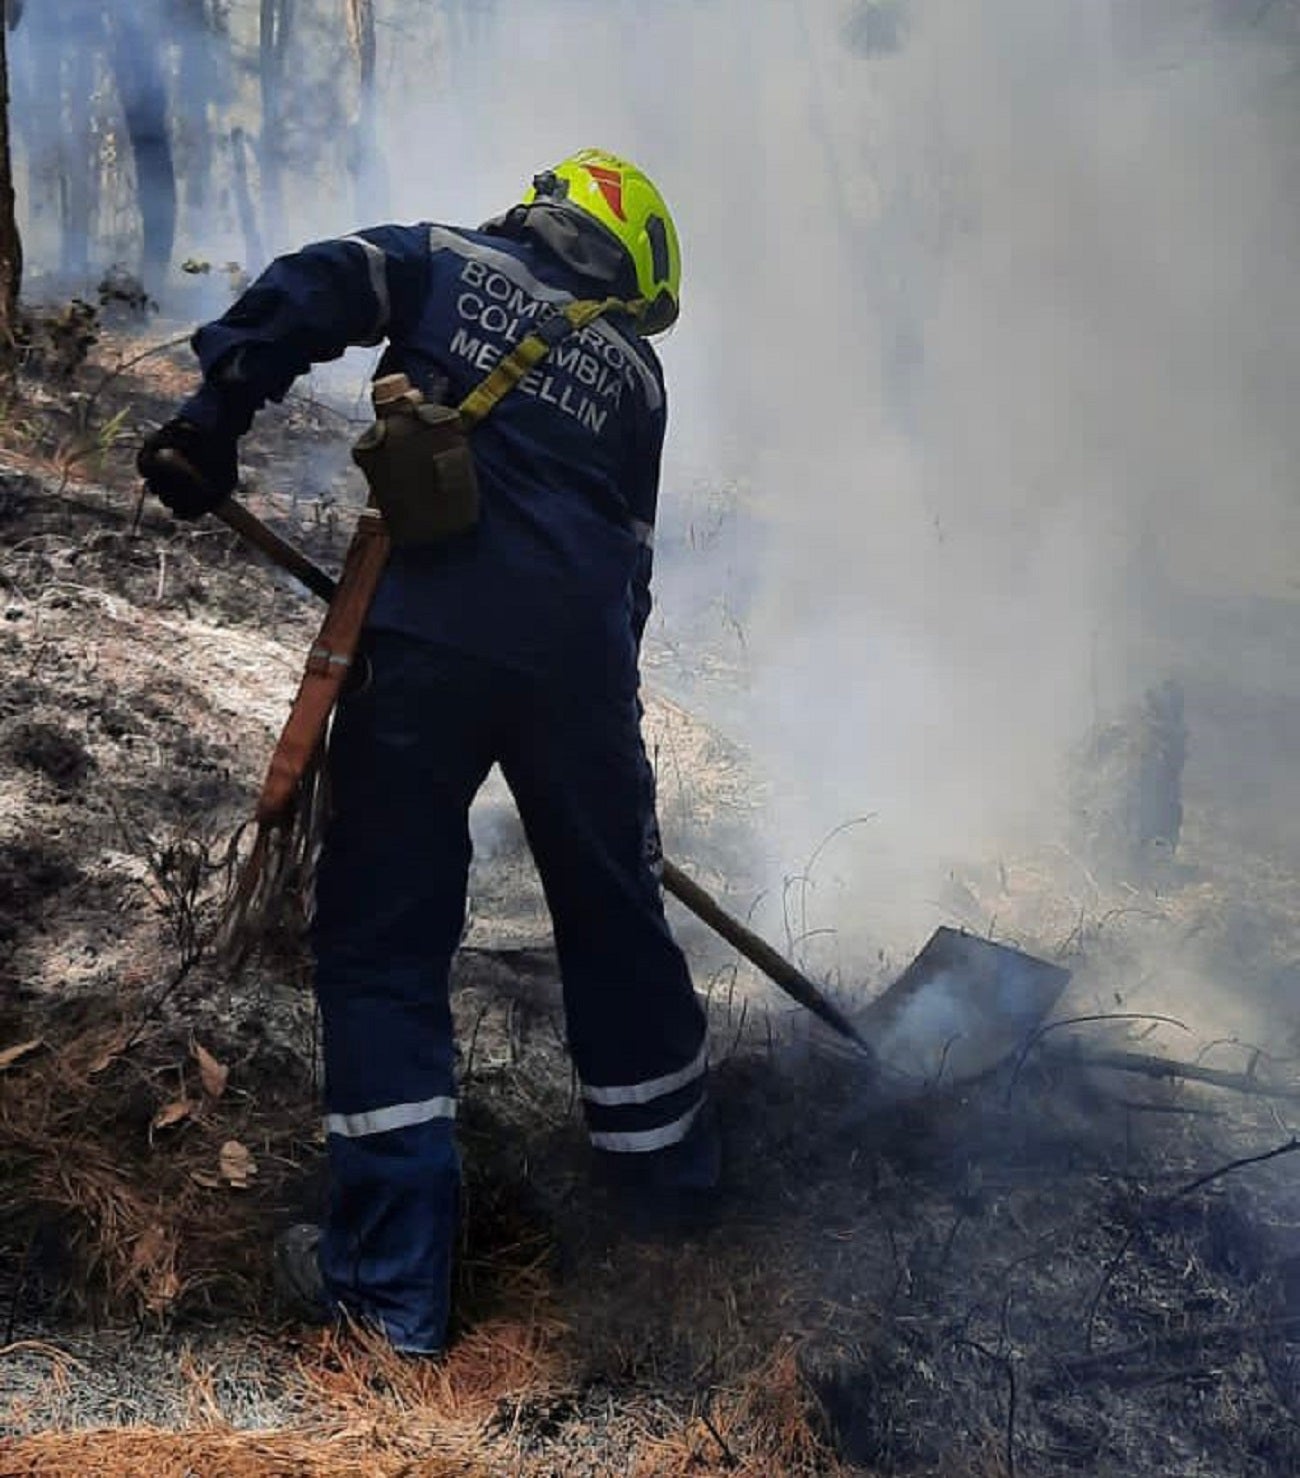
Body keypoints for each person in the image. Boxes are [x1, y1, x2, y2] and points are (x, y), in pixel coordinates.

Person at [138, 150, 716, 1355]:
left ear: (546, 208)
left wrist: (211, 418)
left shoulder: (438, 259)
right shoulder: (640, 376)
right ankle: (672, 1229)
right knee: (616, 926)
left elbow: (310, 286)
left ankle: (392, 1296)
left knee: (385, 944)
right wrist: (602, 733)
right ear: (632, 264)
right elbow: (634, 566)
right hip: (581, 676)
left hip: (427, 646)